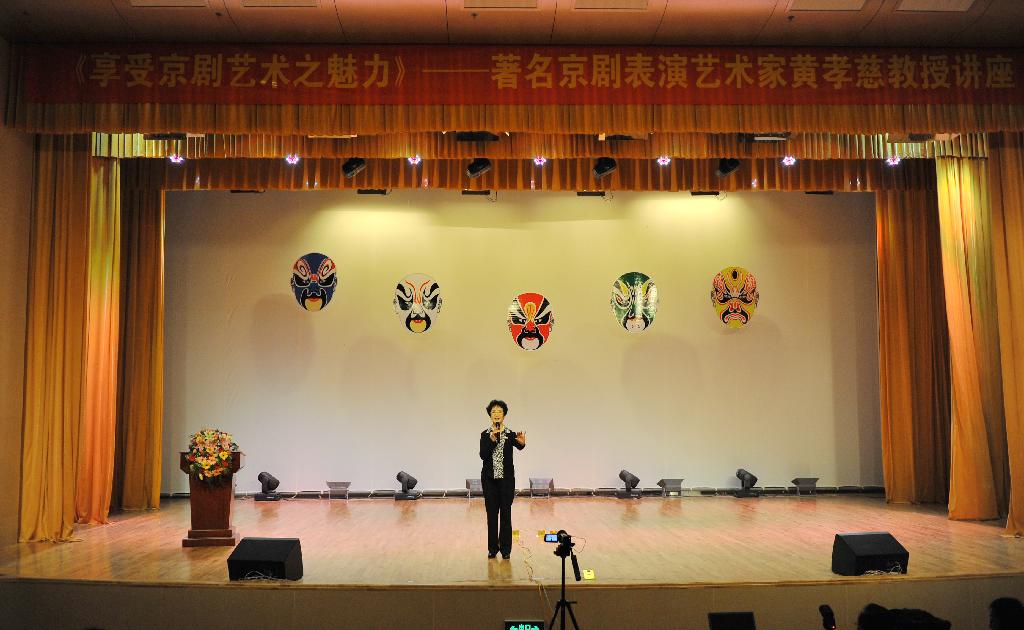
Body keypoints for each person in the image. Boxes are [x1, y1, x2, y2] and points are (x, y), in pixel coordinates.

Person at [479, 399, 525, 560]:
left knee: (506, 513)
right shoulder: (485, 434)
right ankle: (492, 548)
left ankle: (506, 549)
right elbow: (483, 455)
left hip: (506, 481)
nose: (496, 414)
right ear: (490, 415)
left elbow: (519, 445)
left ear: (504, 415)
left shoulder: (510, 434)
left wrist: (522, 443)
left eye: (499, 411)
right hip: (489, 480)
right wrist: (492, 441)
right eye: (493, 412)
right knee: (492, 515)